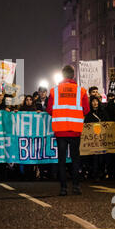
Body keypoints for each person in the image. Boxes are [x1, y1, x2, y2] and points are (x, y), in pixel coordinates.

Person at [47, 65, 90, 196]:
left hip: (60, 130)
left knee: (62, 159)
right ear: (73, 76)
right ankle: (76, 186)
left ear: (63, 75)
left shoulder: (54, 91)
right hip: (75, 130)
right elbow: (86, 110)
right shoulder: (81, 91)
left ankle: (63, 188)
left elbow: (49, 110)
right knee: (75, 159)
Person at [84, 95, 109, 182]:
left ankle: (101, 172)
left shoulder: (103, 113)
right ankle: (94, 173)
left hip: (102, 139)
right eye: (93, 101)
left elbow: (108, 124)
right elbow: (86, 126)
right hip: (93, 140)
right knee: (94, 157)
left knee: (102, 157)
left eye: (96, 101)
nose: (95, 103)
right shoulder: (88, 114)